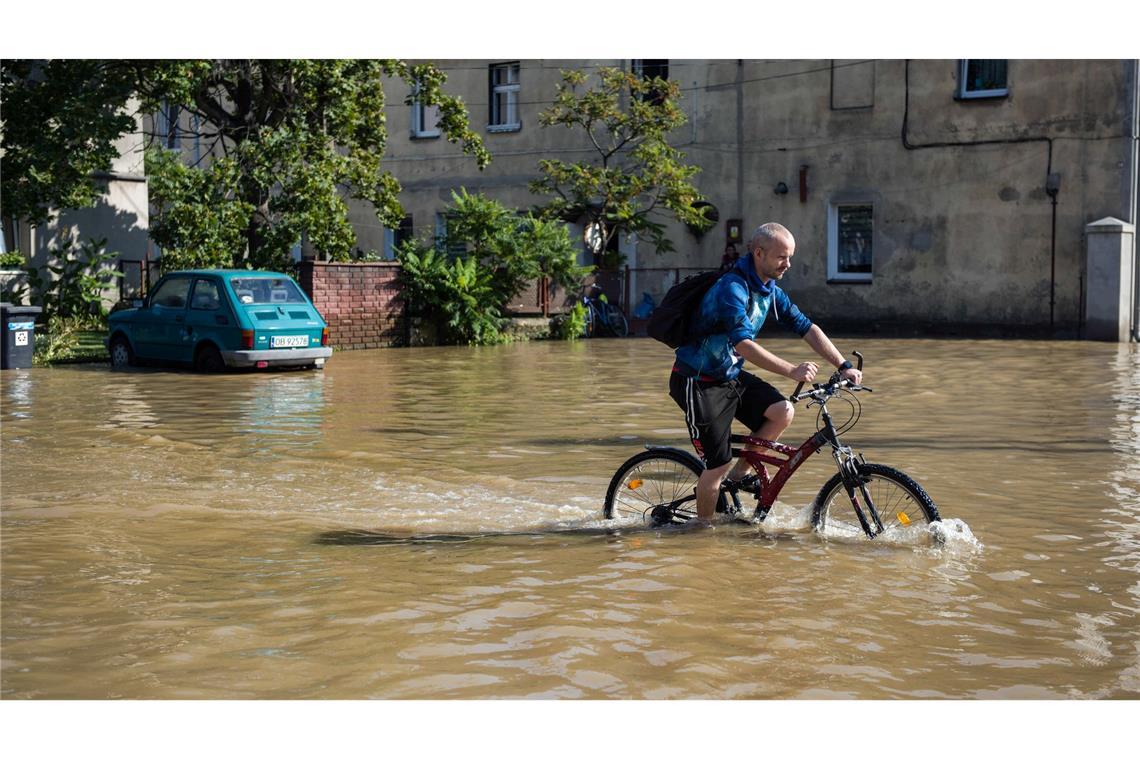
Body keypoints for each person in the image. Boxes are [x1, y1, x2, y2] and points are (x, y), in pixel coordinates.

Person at [669, 222, 863, 523]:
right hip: (697, 381)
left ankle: (738, 477)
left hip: (729, 375)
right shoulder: (732, 289)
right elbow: (744, 345)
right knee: (715, 467)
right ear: (759, 253)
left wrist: (843, 365)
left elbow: (806, 327)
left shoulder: (769, 289)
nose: (788, 264)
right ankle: (701, 534)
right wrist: (791, 370)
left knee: (782, 411)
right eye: (782, 257)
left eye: (790, 257)